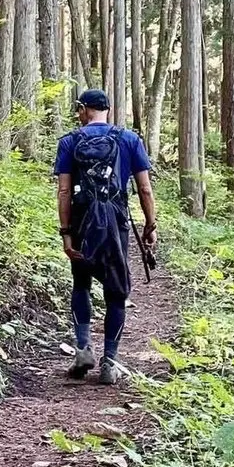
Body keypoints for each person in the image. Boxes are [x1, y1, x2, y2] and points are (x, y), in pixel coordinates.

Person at [54, 89, 157, 385]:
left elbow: (64, 190)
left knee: (81, 284)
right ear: (107, 110)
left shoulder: (69, 141)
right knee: (115, 291)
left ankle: (83, 348)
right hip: (115, 222)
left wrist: (66, 232)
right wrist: (150, 225)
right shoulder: (129, 139)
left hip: (82, 222)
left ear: (84, 109)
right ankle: (109, 362)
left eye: (79, 109)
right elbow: (145, 189)